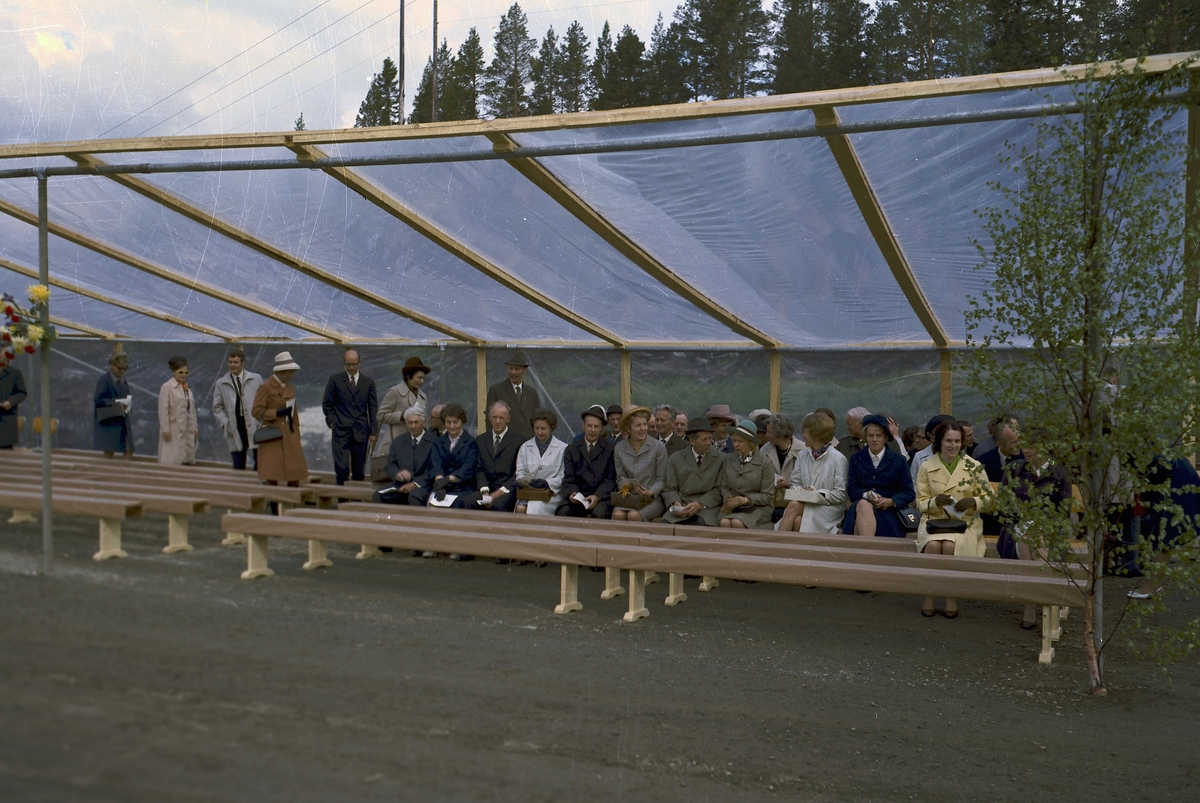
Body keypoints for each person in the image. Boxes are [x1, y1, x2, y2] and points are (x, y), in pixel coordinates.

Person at [915, 421, 992, 618]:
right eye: (948, 440)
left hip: (965, 523)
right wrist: (935, 502)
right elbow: (920, 502)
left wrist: (972, 501)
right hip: (933, 521)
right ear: (940, 442)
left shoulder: (974, 467)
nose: (953, 445)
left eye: (957, 441)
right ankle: (929, 596)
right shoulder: (926, 467)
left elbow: (990, 499)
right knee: (932, 546)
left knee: (950, 546)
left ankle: (951, 597)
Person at [997, 445, 1071, 628]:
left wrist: (1039, 523)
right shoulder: (1014, 469)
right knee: (1027, 539)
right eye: (1024, 446)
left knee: (1032, 539)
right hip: (1016, 528)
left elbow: (1063, 512)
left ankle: (1030, 605)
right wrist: (1023, 520)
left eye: (1033, 447)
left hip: (1049, 531)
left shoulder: (1060, 473)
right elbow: (1003, 505)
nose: (1027, 451)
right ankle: (1044, 600)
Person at [843, 414, 916, 538]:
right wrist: (867, 495)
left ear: (885, 438)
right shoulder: (856, 458)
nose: (874, 439)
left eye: (879, 436)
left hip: (888, 511)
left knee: (858, 528)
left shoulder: (898, 460)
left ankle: (866, 552)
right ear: (865, 437)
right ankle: (870, 550)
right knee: (863, 504)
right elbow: (852, 489)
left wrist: (891, 501)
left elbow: (908, 492)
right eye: (870, 436)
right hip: (861, 506)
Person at [778, 411, 849, 533]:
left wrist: (817, 494)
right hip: (804, 505)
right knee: (797, 521)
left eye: (805, 431)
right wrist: (802, 491)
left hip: (828, 509)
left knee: (794, 506)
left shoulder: (839, 459)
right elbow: (795, 482)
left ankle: (775, 544)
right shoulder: (802, 455)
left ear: (816, 433)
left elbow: (841, 494)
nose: (803, 435)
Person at [454, 401, 527, 513]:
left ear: (508, 419)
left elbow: (517, 473)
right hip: (486, 488)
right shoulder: (481, 439)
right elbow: (479, 469)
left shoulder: (519, 440)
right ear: (489, 418)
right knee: (467, 501)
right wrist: (485, 491)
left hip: (507, 490)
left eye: (501, 418)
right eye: (494, 417)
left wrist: (497, 494)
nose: (498, 421)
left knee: (497, 505)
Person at [252, 351, 309, 486]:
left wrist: (297, 430)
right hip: (272, 434)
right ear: (282, 372)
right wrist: (276, 413)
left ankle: (293, 504)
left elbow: (294, 413)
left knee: (295, 472)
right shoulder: (265, 387)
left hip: (290, 434)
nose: (292, 375)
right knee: (272, 473)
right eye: (290, 372)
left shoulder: (290, 387)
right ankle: (273, 505)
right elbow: (256, 411)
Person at [322, 349, 378, 485]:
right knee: (341, 469)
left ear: (360, 362)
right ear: (344, 363)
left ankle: (355, 503)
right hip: (340, 430)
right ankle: (342, 502)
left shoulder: (368, 383)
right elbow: (327, 404)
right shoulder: (335, 380)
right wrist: (332, 423)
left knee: (359, 471)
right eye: (348, 364)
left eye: (354, 364)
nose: (351, 367)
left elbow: (373, 409)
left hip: (360, 431)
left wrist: (373, 432)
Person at [662, 420, 726, 526]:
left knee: (702, 525)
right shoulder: (676, 458)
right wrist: (675, 503)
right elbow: (669, 488)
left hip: (707, 506)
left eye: (710, 438)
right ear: (692, 441)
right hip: (682, 503)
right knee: (666, 525)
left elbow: (719, 489)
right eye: (704, 439)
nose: (708, 442)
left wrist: (700, 504)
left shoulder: (721, 458)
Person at [611, 404, 668, 522]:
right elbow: (619, 478)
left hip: (653, 499)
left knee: (634, 515)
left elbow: (662, 479)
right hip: (629, 498)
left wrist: (651, 492)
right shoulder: (619, 448)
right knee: (618, 515)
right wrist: (625, 487)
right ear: (628, 428)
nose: (643, 429)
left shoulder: (658, 447)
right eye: (638, 425)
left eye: (645, 424)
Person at [558, 405, 616, 519]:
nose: (592, 430)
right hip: (578, 497)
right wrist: (572, 494)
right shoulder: (571, 449)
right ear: (583, 425)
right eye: (589, 426)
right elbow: (568, 477)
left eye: (596, 426)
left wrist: (597, 496)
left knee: (599, 513)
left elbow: (611, 479)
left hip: (600, 498)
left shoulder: (611, 449)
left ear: (602, 428)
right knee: (563, 511)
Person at [718, 419, 776, 529]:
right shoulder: (729, 459)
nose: (736, 445)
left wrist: (745, 500)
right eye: (734, 441)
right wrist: (727, 496)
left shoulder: (764, 463)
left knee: (737, 523)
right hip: (733, 506)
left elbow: (768, 496)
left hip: (757, 507)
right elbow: (724, 485)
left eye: (740, 442)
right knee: (724, 522)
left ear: (751, 443)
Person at [372, 407, 436, 506]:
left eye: (416, 422)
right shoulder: (398, 441)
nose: (413, 426)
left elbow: (434, 470)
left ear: (424, 423)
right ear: (406, 424)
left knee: (414, 496)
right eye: (410, 422)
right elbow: (390, 466)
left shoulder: (434, 442)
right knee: (378, 495)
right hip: (400, 484)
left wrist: (415, 484)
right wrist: (397, 473)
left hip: (423, 486)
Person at [212, 348, 262, 470]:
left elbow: (263, 401)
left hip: (254, 424)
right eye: (230, 362)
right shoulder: (221, 383)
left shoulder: (256, 379)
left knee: (260, 461)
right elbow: (217, 407)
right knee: (238, 463)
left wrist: (261, 421)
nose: (232, 365)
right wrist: (226, 424)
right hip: (234, 426)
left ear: (242, 363)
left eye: (235, 362)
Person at [514, 408, 567, 516]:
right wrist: (521, 481)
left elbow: (563, 475)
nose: (539, 432)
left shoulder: (562, 448)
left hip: (550, 494)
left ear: (551, 427)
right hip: (529, 492)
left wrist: (548, 483)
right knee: (520, 508)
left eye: (543, 428)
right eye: (536, 428)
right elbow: (520, 471)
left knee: (535, 508)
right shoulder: (525, 447)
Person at [377, 356, 430, 457]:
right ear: (409, 376)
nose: (422, 381)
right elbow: (380, 415)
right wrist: (401, 416)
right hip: (394, 445)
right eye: (419, 378)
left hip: (416, 448)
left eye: (423, 378)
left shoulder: (423, 396)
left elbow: (425, 423)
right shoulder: (395, 392)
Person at [428, 403, 479, 505]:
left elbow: (468, 467)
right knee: (433, 503)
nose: (452, 426)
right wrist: (440, 484)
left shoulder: (471, 442)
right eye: (448, 422)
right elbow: (436, 463)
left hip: (464, 487)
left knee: (458, 504)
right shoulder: (437, 442)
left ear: (462, 421)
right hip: (442, 486)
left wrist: (449, 480)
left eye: (455, 422)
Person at [486, 351, 540, 439]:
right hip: (507, 442)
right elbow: (490, 421)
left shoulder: (532, 393)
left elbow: (537, 419)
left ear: (525, 370)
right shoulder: (496, 390)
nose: (513, 372)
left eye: (517, 369)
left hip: (527, 442)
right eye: (510, 368)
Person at [762, 413, 804, 522]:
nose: (766, 435)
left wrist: (789, 483)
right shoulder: (764, 450)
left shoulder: (803, 451)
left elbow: (808, 480)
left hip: (795, 502)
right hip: (770, 502)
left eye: (769, 432)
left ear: (780, 434)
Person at [94, 345, 134, 459]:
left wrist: (128, 404)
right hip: (109, 421)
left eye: (125, 368)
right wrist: (115, 402)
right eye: (119, 368)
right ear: (111, 365)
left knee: (129, 450)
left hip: (122, 420)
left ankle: (125, 474)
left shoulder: (124, 380)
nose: (122, 371)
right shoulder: (104, 380)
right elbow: (98, 399)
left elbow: (127, 397)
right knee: (109, 451)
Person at [157, 355, 198, 466]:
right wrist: (165, 429)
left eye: (186, 372)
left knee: (187, 456)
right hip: (173, 427)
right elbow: (163, 409)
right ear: (174, 371)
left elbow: (191, 408)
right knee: (172, 457)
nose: (183, 375)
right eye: (181, 372)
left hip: (187, 426)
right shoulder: (167, 387)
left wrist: (194, 427)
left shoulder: (187, 388)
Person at [909, 414, 956, 487]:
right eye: (939, 434)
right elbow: (914, 485)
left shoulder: (965, 460)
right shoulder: (919, 457)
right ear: (931, 436)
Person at [976, 413, 1023, 483]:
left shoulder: (1027, 458)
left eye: (1019, 439)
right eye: (1014, 442)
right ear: (999, 444)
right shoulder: (983, 463)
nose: (1019, 444)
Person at [0, 353, 28, 449]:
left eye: (7, 360)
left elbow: (22, 392)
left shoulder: (15, 374)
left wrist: (10, 402)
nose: (4, 362)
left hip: (6, 419)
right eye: (2, 359)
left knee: (5, 453)